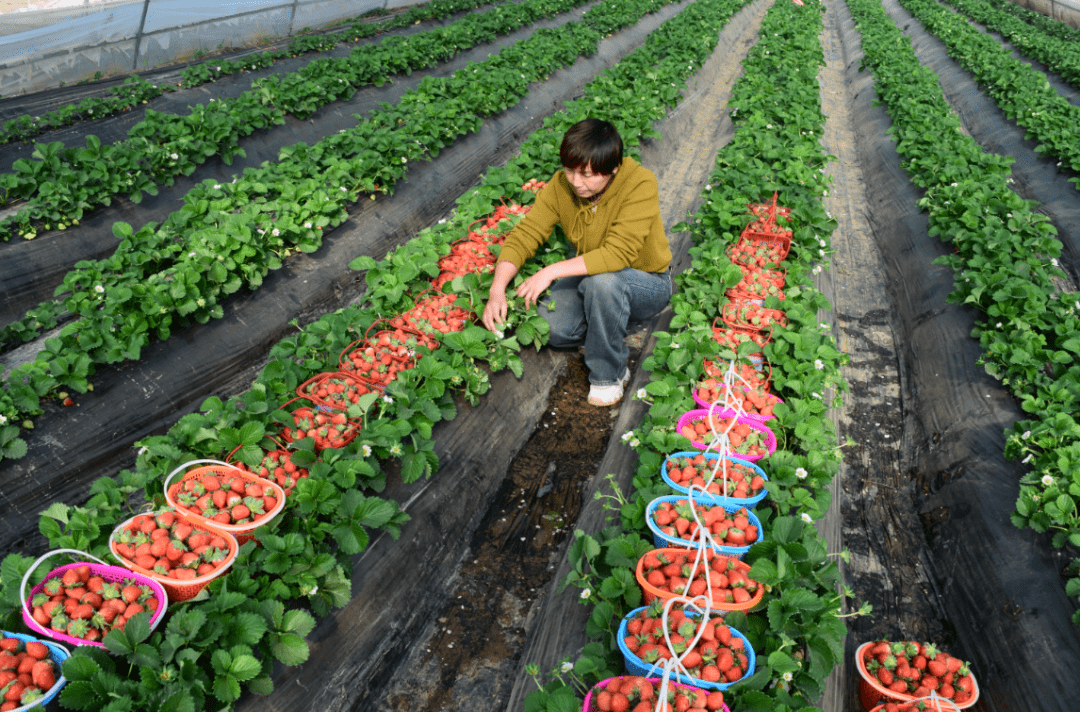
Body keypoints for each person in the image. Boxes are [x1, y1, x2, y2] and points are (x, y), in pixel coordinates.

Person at [481, 119, 673, 406]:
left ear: (614, 167)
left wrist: (550, 271)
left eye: (586, 174)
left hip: (646, 283)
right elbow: (526, 234)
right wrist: (497, 288)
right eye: (570, 170)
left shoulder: (639, 184)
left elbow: (617, 255)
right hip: (591, 277)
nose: (575, 181)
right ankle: (606, 324)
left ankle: (609, 374)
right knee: (550, 328)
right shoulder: (561, 187)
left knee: (605, 281)